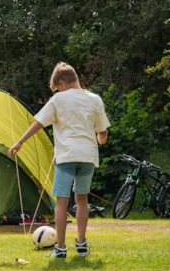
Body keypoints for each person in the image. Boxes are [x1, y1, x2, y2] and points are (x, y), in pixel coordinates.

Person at [9, 62, 110, 258]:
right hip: (88, 156)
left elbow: (39, 123)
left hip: (66, 156)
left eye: (57, 88)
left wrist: (20, 142)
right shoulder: (95, 99)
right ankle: (81, 245)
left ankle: (61, 248)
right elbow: (102, 132)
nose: (56, 91)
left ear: (62, 83)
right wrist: (100, 140)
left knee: (62, 202)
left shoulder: (58, 100)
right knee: (82, 200)